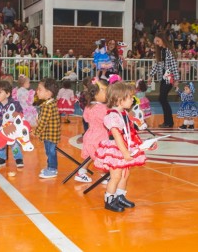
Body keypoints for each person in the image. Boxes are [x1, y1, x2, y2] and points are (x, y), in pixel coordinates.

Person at [95, 82, 147, 212]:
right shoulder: (112, 116)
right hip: (117, 149)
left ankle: (120, 196)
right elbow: (117, 136)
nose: (132, 99)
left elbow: (129, 132)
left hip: (125, 146)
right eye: (129, 97)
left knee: (125, 174)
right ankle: (109, 200)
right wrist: (125, 153)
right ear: (119, 100)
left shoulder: (124, 113)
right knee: (116, 176)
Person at [75, 78, 108, 183]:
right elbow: (107, 122)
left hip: (89, 134)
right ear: (98, 92)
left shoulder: (89, 106)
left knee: (89, 155)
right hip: (100, 136)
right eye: (106, 91)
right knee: (103, 155)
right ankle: (105, 175)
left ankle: (81, 172)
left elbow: (87, 119)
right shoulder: (103, 108)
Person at [148, 32, 179, 128]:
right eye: (155, 42)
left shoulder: (169, 50)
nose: (157, 43)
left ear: (163, 39)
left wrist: (176, 80)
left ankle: (169, 122)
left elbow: (174, 65)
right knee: (162, 99)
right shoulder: (161, 51)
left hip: (169, 77)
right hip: (163, 78)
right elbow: (157, 64)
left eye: (158, 40)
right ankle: (168, 122)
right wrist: (150, 75)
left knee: (162, 98)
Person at [0, 80, 24, 168]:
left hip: (12, 130)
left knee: (14, 145)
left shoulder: (15, 104)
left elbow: (20, 114)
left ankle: (18, 158)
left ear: (8, 94)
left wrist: (16, 122)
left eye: (0, 92)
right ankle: (1, 159)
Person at [35, 78, 60, 178]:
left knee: (51, 151)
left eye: (40, 89)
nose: (37, 91)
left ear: (48, 93)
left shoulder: (47, 106)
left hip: (50, 134)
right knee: (49, 151)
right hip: (49, 133)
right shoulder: (49, 103)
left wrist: (35, 132)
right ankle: (50, 167)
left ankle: (52, 169)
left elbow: (43, 122)